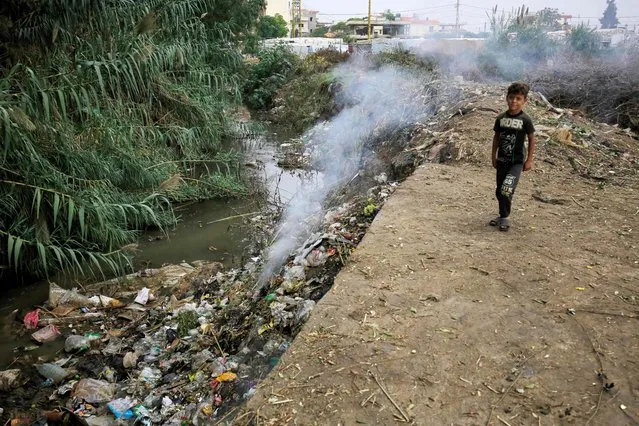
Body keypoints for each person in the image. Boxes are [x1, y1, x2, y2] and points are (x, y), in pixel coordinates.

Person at [490, 81, 536, 232]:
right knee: (499, 190)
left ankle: (505, 217)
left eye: (518, 99)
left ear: (524, 101)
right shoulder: (501, 118)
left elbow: (532, 139)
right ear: (506, 98)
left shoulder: (525, 120)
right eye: (511, 98)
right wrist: (493, 156)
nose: (514, 101)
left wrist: (529, 160)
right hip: (502, 160)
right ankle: (502, 215)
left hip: (516, 162)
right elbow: (496, 138)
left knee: (507, 188)